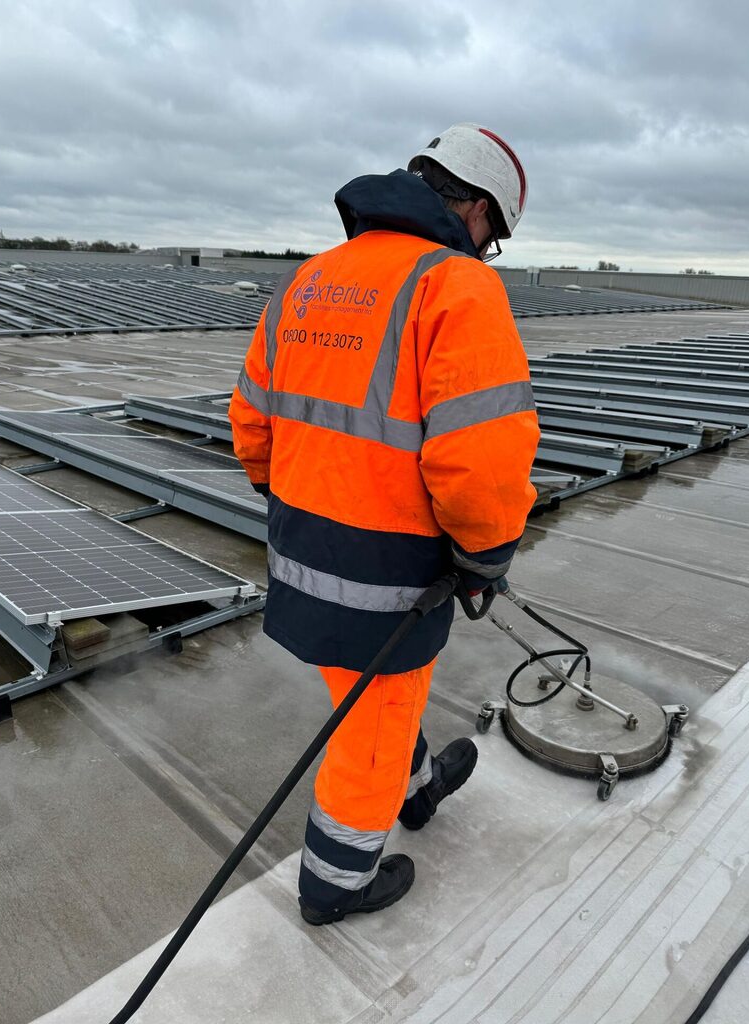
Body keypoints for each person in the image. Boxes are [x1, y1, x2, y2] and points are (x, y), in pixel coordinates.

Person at [229, 123, 540, 925]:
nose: (488, 251)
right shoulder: (458, 288)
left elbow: (252, 423)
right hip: (391, 571)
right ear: (473, 209)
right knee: (371, 726)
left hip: (302, 550)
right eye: (493, 236)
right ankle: (336, 882)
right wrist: (484, 555)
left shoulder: (308, 280)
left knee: (366, 696)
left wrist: (295, 501)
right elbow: (480, 463)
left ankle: (417, 790)